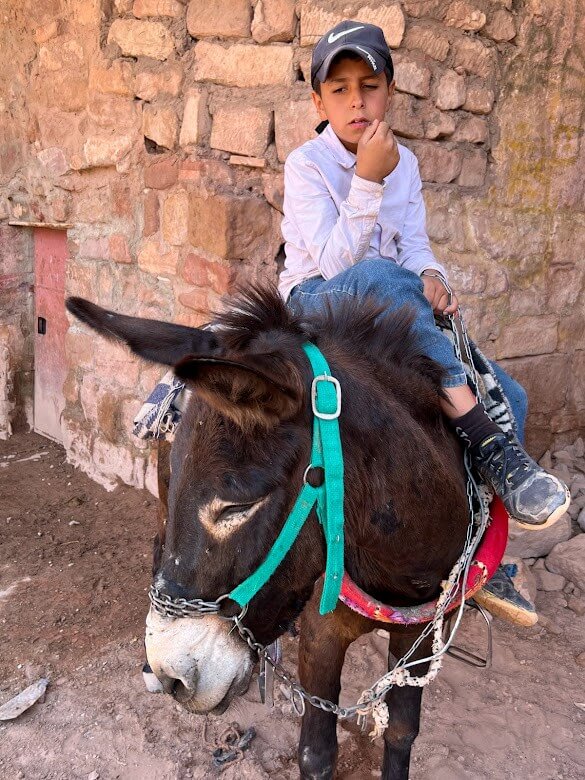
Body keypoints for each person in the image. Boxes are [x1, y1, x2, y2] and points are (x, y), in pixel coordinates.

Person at [278, 21, 570, 622]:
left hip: (389, 301)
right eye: (339, 89)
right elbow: (335, 266)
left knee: (509, 394)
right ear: (318, 101)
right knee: (384, 278)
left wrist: (432, 276)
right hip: (315, 300)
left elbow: (412, 244)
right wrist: (364, 179)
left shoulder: (404, 163)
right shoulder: (306, 165)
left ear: (389, 91)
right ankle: (490, 447)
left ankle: (475, 560)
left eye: (370, 85)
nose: (356, 101)